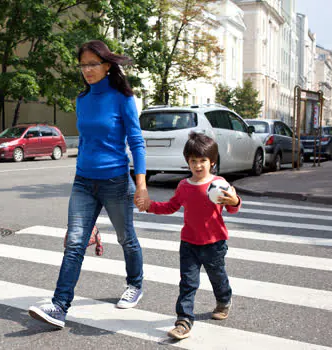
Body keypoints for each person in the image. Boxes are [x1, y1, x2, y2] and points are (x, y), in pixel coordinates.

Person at [28, 40, 149, 329]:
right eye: (83, 65)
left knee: (126, 238)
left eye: (93, 64)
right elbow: (86, 142)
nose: (87, 70)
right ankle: (59, 306)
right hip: (83, 182)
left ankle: (135, 284)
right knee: (74, 243)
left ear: (107, 65)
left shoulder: (122, 98)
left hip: (116, 181)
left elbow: (136, 142)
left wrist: (141, 184)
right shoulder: (82, 99)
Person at [136, 132, 241, 340]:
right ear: (188, 162)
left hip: (214, 243)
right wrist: (149, 207)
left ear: (212, 162)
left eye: (203, 160)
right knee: (187, 283)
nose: (198, 165)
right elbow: (171, 206)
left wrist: (235, 201)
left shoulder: (219, 184)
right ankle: (183, 321)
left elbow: (233, 208)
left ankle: (224, 300)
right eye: (193, 161)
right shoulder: (184, 186)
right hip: (189, 244)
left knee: (217, 277)